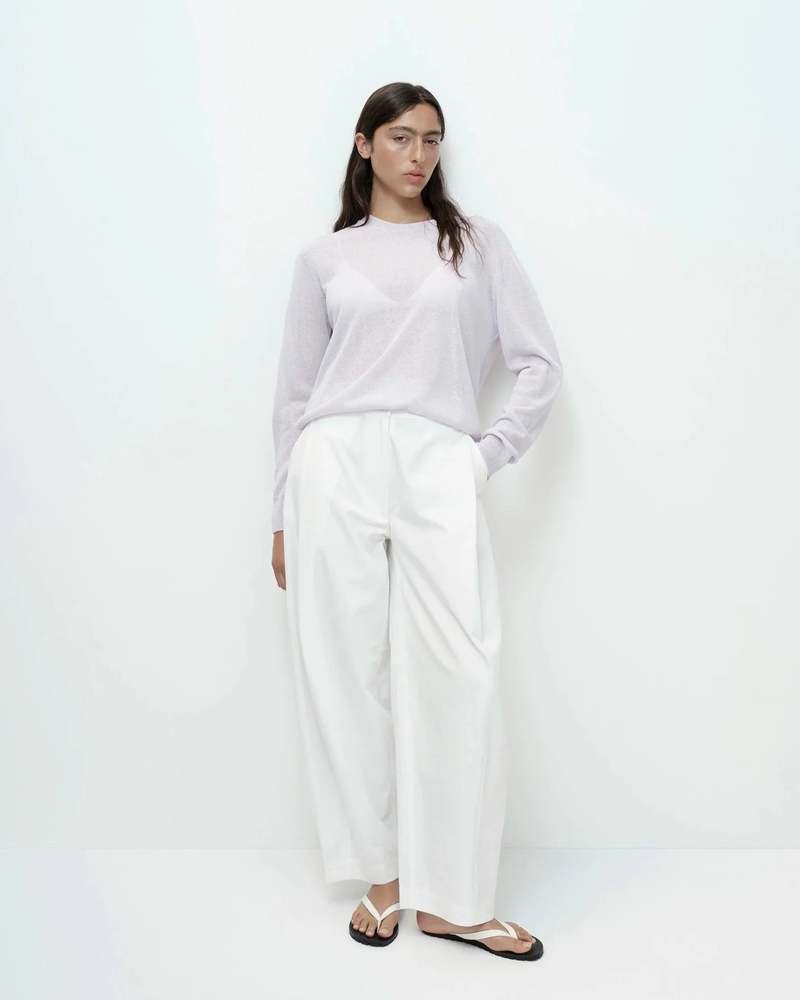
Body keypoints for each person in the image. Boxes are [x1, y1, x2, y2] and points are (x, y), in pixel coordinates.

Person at [271, 82, 562, 962]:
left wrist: (484, 454)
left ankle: (456, 899)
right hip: (334, 463)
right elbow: (293, 395)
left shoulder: (474, 245)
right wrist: (280, 509)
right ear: (365, 145)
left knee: (462, 671)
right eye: (401, 138)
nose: (419, 155)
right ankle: (384, 876)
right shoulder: (324, 259)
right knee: (345, 673)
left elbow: (538, 365)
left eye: (432, 139)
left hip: (439, 459)